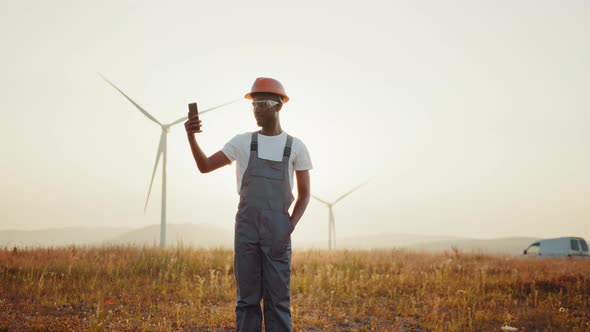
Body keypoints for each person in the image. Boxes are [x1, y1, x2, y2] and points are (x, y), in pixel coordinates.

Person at [184, 77, 312, 331]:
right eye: (253, 105)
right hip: (247, 228)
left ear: (278, 106)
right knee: (247, 301)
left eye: (262, 104)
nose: (257, 110)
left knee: (278, 302)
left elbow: (305, 194)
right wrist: (191, 138)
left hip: (278, 228)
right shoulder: (241, 142)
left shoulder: (296, 147)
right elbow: (205, 166)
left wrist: (289, 225)